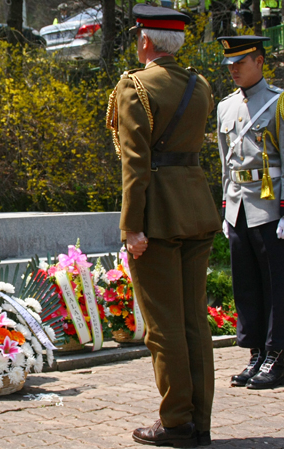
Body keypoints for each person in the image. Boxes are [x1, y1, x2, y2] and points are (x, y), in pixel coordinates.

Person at [106, 4, 221, 447]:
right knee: (194, 321)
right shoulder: (202, 85)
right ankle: (200, 420)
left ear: (146, 41)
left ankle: (176, 422)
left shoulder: (134, 86)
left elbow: (136, 164)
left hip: (157, 217)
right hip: (196, 207)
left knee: (164, 326)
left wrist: (131, 226)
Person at [216, 36, 284, 390]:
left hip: (271, 209)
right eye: (230, 65)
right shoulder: (225, 106)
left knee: (275, 284)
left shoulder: (281, 103)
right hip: (238, 206)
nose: (234, 69)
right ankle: (254, 352)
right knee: (247, 285)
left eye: (241, 62)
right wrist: (226, 207)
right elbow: (226, 162)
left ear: (260, 62)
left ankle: (276, 356)